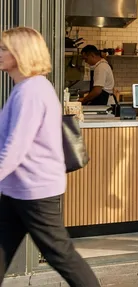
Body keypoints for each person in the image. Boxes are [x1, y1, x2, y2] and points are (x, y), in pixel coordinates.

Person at [0, 27, 100, 286]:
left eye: (4, 49)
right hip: (17, 188)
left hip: (35, 191)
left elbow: (15, 147)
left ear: (20, 54)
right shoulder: (25, 88)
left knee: (62, 255)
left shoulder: (31, 91)